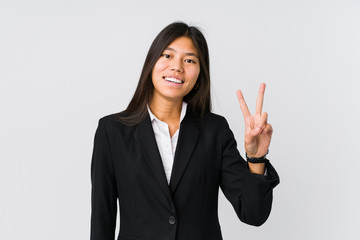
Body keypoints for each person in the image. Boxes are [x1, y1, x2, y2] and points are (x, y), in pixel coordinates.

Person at [90, 22, 280, 240]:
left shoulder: (215, 131)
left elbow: (253, 214)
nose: (177, 67)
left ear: (199, 74)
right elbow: (101, 221)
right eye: (167, 56)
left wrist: (256, 159)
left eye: (189, 60)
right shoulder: (112, 131)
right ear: (151, 64)